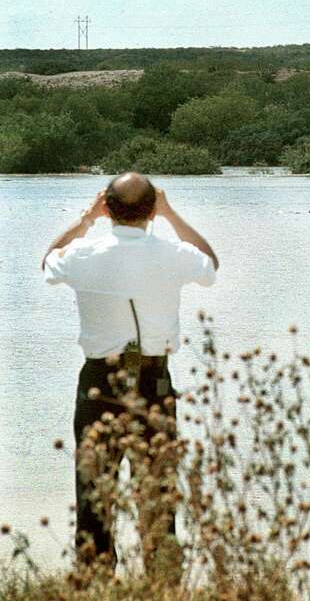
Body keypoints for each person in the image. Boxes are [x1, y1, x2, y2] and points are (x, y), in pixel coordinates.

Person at [42, 172, 218, 571]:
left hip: (99, 385)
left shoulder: (86, 255)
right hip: (154, 383)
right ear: (152, 207)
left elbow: (47, 262)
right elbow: (211, 264)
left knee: (94, 498)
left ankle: (95, 584)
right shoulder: (172, 254)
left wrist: (85, 221)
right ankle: (161, 586)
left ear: (108, 207)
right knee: (157, 498)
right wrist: (171, 215)